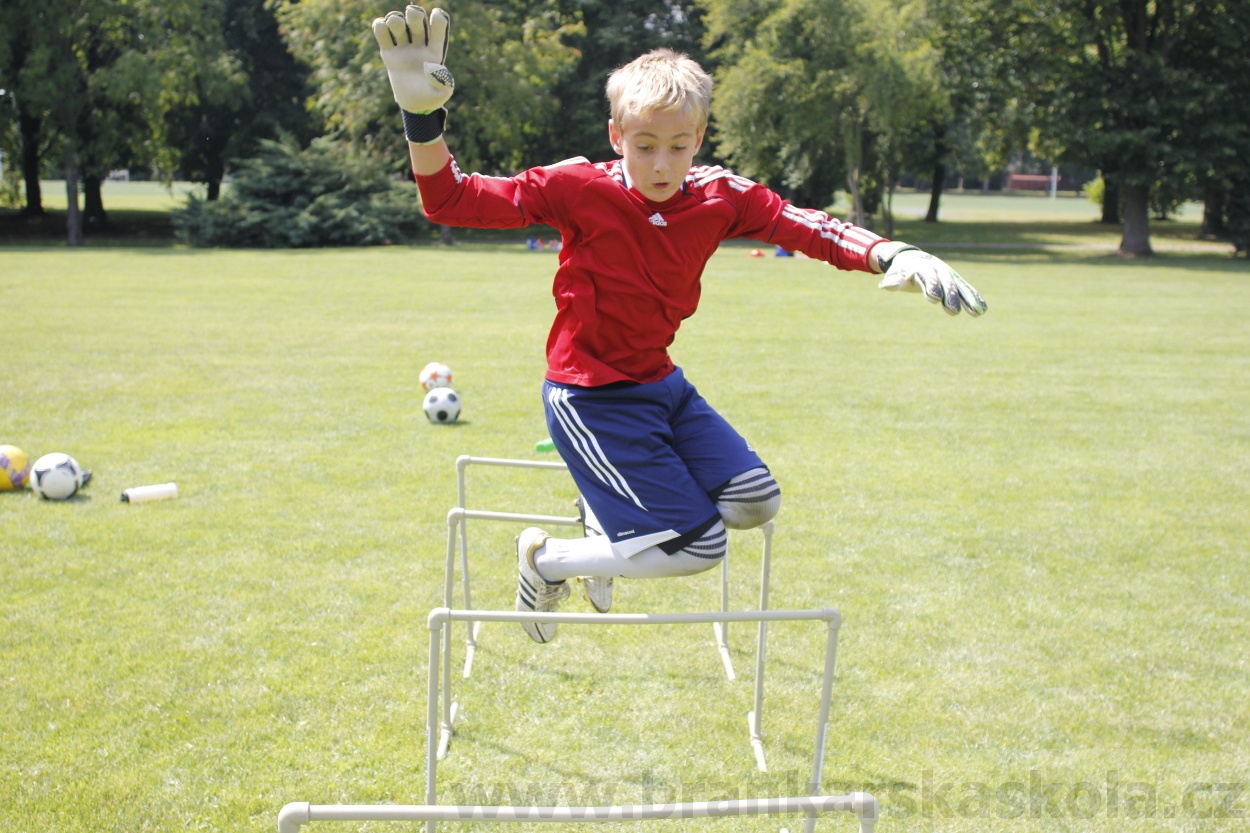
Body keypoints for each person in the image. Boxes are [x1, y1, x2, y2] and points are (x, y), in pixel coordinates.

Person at [372, 6, 987, 643]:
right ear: (616, 135)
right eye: (645, 146)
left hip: (661, 384)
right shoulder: (578, 187)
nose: (662, 164)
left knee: (755, 502)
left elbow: (807, 226)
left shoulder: (720, 195)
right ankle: (546, 560)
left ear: (700, 136)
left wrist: (893, 253)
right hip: (590, 396)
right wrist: (422, 121)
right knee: (700, 547)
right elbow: (451, 200)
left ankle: (609, 521)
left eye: (678, 146)